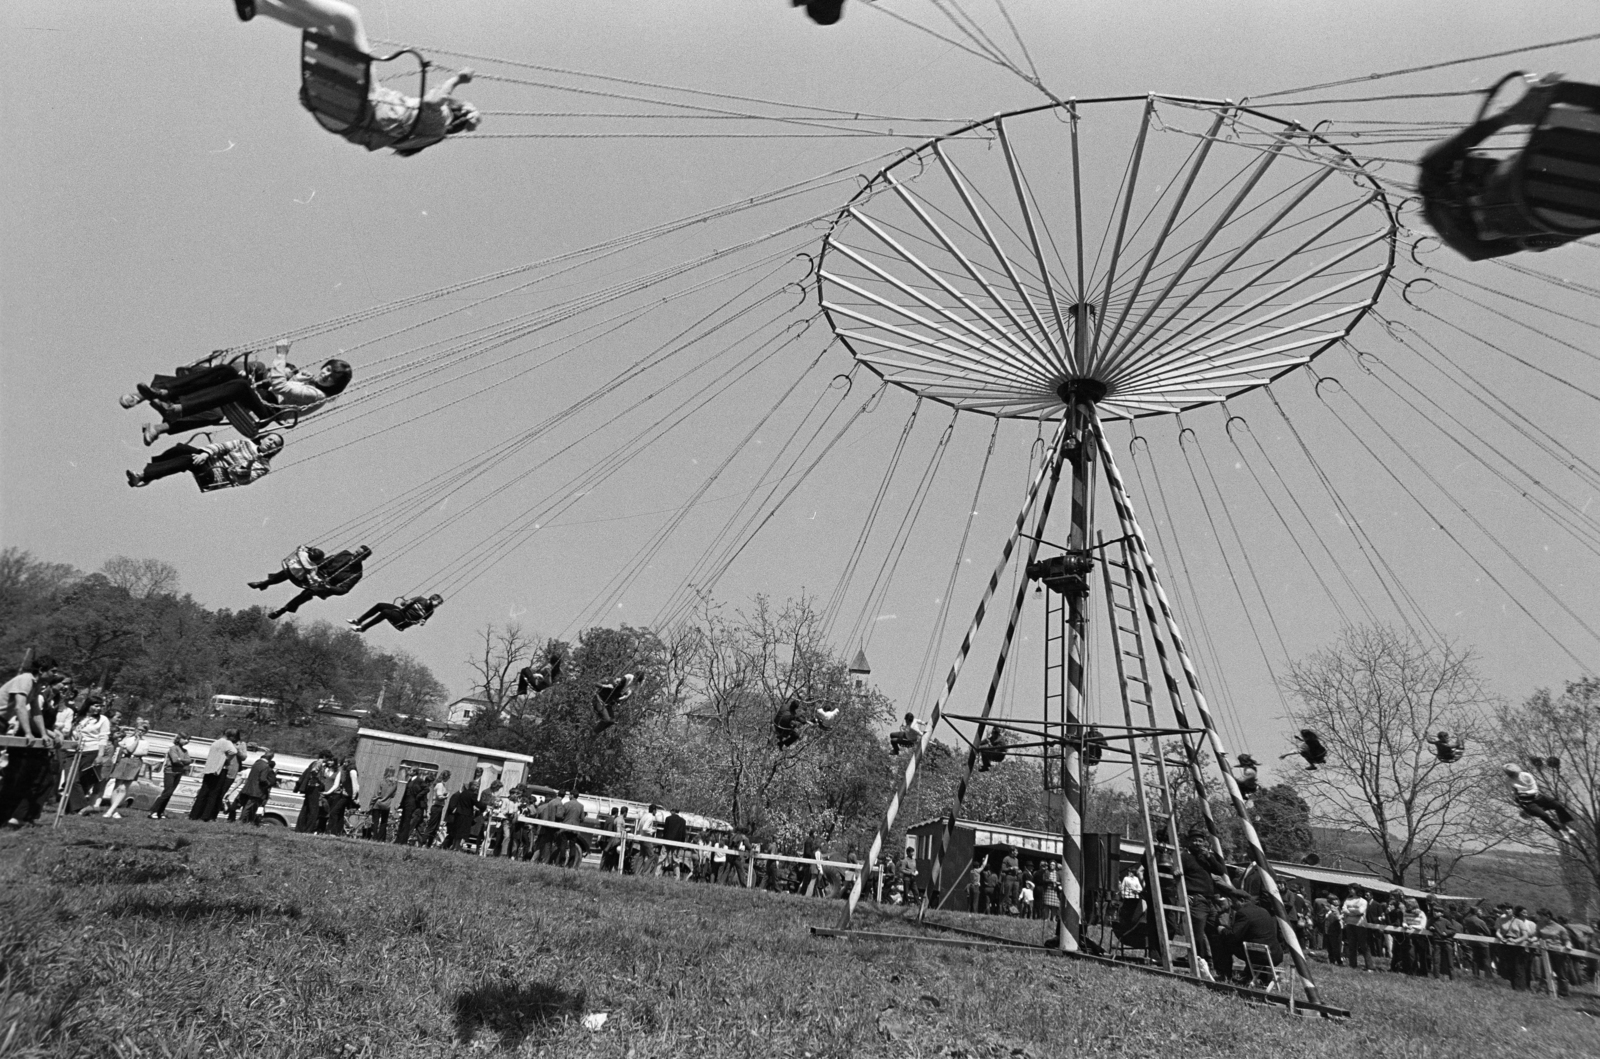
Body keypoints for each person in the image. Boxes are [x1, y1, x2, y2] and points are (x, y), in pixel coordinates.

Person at [239, 1, 482, 156]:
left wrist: (458, 80)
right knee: (325, 27)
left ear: (453, 111)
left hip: (362, 101)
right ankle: (258, 7)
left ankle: (263, 5)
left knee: (348, 18)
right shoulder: (413, 137)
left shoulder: (438, 125)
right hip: (339, 115)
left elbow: (432, 101)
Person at [122, 340, 352, 445]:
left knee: (237, 389)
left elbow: (280, 388)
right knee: (223, 371)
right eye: (328, 369)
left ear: (335, 385)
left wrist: (281, 356)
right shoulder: (309, 382)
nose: (326, 375)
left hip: (265, 411)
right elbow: (282, 383)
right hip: (258, 397)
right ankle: (162, 393)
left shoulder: (318, 396)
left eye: (332, 377)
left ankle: (175, 408)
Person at [0, 654, 64, 828]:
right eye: (53, 671)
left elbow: (36, 711)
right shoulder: (25, 679)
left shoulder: (36, 686)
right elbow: (21, 706)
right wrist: (28, 733)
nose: (54, 674)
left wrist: (43, 733)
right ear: (42, 670)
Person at [249, 546, 371, 620]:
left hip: (325, 583)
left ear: (363, 559)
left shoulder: (357, 573)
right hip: (318, 571)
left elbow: (344, 590)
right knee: (294, 570)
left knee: (309, 592)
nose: (354, 555)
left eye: (358, 555)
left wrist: (328, 587)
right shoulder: (345, 554)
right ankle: (265, 583)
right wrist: (312, 565)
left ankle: (283, 609)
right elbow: (328, 560)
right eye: (356, 552)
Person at [126, 433, 283, 489]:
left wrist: (250, 462)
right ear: (263, 439)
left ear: (275, 451)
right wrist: (206, 454)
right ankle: (151, 472)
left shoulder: (263, 466)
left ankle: (142, 476)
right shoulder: (245, 443)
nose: (271, 443)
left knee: (187, 460)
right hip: (208, 461)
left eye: (275, 444)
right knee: (181, 448)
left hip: (216, 475)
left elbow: (243, 478)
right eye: (270, 439)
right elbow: (221, 446)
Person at [1504, 762, 1574, 835]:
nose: (1513, 776)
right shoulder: (1508, 781)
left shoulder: (1526, 776)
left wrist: (1524, 793)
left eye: (1514, 773)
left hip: (1538, 797)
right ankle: (1559, 830)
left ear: (1517, 771)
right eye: (1511, 775)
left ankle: (1564, 824)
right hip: (1528, 803)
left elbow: (1535, 790)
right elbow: (1512, 794)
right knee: (1543, 815)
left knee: (1558, 805)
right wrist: (1516, 797)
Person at [102, 720, 152, 819]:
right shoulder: (127, 738)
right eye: (139, 729)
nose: (140, 732)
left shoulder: (145, 742)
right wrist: (130, 746)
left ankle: (111, 810)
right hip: (124, 760)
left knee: (124, 787)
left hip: (135, 762)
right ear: (135, 729)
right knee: (117, 786)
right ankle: (114, 810)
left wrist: (132, 747)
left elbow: (141, 752)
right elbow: (125, 749)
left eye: (143, 731)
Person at [191, 729, 241, 822]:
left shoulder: (215, 742)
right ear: (231, 737)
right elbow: (234, 751)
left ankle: (194, 814)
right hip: (219, 770)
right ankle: (206, 816)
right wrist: (227, 758)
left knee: (203, 792)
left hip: (209, 768)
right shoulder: (227, 743)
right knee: (214, 794)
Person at [147, 732, 193, 819]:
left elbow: (189, 761)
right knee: (167, 792)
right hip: (170, 772)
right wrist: (183, 761)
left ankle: (160, 812)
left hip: (178, 773)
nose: (187, 741)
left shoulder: (185, 751)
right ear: (179, 739)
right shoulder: (173, 748)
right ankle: (153, 811)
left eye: (188, 740)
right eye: (185, 739)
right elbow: (175, 760)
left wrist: (181, 760)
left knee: (170, 793)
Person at [349, 594, 443, 634]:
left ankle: (363, 628)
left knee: (386, 612)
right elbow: (403, 604)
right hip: (401, 612)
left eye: (439, 605)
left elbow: (423, 620)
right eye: (437, 603)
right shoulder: (420, 599)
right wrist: (405, 603)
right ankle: (359, 621)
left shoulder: (430, 611)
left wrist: (422, 622)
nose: (437, 606)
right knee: (380, 605)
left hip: (404, 621)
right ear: (432, 599)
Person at [238, 749, 278, 824]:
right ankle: (242, 821)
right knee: (249, 807)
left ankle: (244, 821)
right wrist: (268, 784)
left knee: (246, 806)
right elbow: (262, 779)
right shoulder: (265, 766)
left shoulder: (256, 763)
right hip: (256, 790)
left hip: (248, 788)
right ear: (271, 758)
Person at [1341, 886, 1375, 971]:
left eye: (1351, 889)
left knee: (1364, 946)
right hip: (1349, 924)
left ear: (1356, 890)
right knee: (1351, 945)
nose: (1349, 890)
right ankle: (1352, 965)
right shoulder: (1347, 900)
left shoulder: (1363, 901)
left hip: (1360, 925)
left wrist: (1349, 912)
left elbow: (1360, 911)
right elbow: (1343, 909)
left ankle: (1370, 966)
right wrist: (1354, 912)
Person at [324, 756, 360, 834]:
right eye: (344, 762)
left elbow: (356, 786)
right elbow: (338, 784)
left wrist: (354, 797)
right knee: (339, 813)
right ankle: (337, 831)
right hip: (344, 795)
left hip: (348, 796)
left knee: (334, 812)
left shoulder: (352, 772)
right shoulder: (345, 771)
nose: (344, 763)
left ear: (350, 763)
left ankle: (331, 831)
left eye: (346, 762)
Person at [294, 753, 330, 833]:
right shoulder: (319, 763)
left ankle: (300, 828)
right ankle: (308, 829)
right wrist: (320, 781)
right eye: (328, 758)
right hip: (314, 788)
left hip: (309, 788)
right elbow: (314, 772)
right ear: (324, 757)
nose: (328, 760)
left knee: (306, 808)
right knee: (314, 810)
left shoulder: (314, 762)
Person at [393, 771, 430, 845]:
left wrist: (418, 796)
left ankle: (403, 840)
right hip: (409, 804)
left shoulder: (419, 781)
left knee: (411, 824)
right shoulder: (410, 780)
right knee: (411, 824)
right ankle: (400, 840)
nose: (409, 771)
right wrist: (401, 804)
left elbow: (426, 789)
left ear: (415, 772)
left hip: (415, 806)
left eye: (411, 770)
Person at [367, 766, 399, 842]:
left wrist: (371, 804)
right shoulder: (395, 783)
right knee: (384, 822)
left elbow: (376, 794)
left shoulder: (382, 781)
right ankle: (381, 839)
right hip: (387, 805)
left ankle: (374, 837)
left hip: (378, 804)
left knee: (375, 822)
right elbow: (393, 795)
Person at [659, 808, 689, 879]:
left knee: (661, 858)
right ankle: (677, 877)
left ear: (673, 811)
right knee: (676, 860)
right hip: (676, 843)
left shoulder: (668, 819)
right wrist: (681, 844)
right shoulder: (683, 821)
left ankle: (657, 874)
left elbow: (665, 831)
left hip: (667, 842)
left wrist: (664, 840)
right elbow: (683, 834)